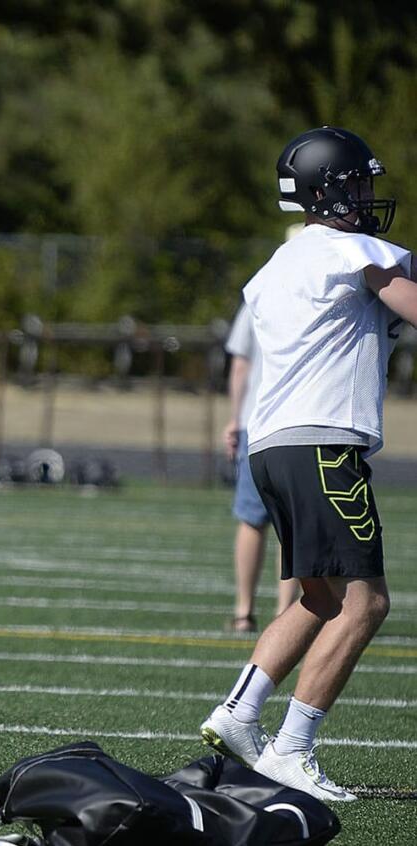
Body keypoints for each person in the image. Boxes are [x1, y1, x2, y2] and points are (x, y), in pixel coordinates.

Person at [199, 126, 415, 802]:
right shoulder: (358, 252)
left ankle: (237, 713)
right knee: (366, 603)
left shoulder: (276, 266)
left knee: (319, 597)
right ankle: (292, 748)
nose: (370, 195)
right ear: (334, 189)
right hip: (324, 442)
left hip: (273, 448)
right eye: (361, 183)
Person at [222, 270, 300, 634]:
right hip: (300, 424)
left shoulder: (258, 295)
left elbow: (240, 364)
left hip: (257, 423)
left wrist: (234, 419)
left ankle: (243, 611)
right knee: (291, 525)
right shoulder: (329, 297)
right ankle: (285, 613)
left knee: (252, 519)